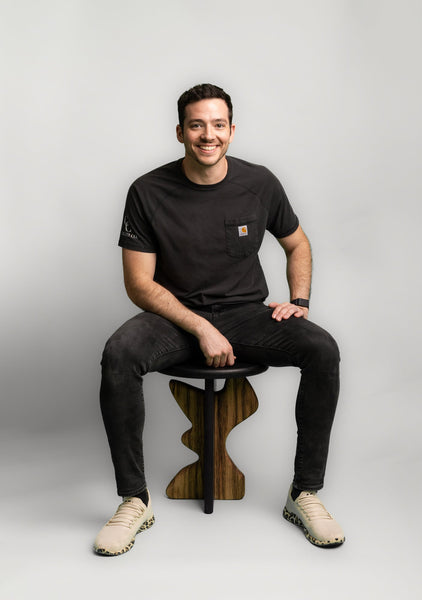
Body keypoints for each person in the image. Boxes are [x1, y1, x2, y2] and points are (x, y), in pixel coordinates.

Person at [94, 83, 345, 556]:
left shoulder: (260, 183)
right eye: (196, 125)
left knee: (322, 348)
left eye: (217, 124)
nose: (207, 135)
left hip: (247, 314)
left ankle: (305, 493)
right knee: (119, 354)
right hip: (175, 317)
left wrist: (300, 299)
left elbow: (297, 243)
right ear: (180, 132)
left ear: (231, 130)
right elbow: (139, 285)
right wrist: (201, 326)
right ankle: (134, 500)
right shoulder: (147, 191)